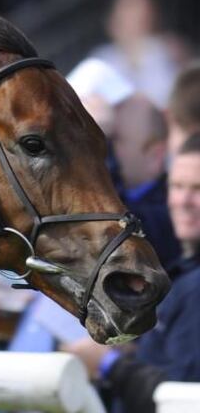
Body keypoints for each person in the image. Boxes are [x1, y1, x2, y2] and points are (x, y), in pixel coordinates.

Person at [63, 133, 200, 413]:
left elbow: (183, 397)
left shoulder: (196, 288)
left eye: (198, 189)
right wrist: (128, 352)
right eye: (177, 186)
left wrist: (107, 363)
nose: (183, 200)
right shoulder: (182, 271)